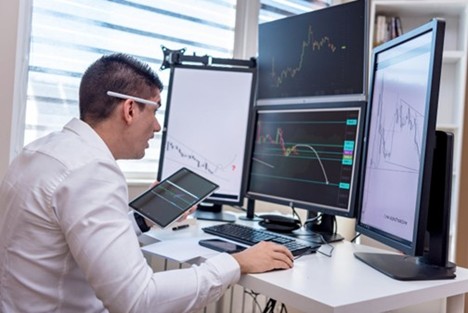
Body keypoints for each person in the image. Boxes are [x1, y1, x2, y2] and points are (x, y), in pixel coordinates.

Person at [0, 53, 294, 313]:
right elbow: (138, 300)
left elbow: (77, 240)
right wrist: (237, 263)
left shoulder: (41, 151)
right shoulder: (91, 171)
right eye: (154, 110)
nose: (157, 126)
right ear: (129, 109)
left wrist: (143, 218)